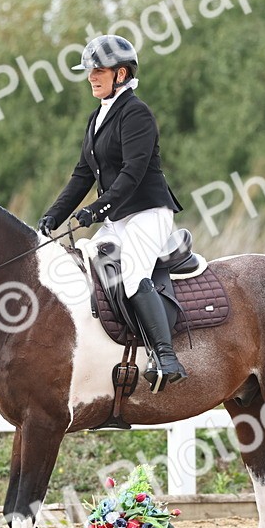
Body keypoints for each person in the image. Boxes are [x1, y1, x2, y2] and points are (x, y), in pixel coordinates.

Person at [37, 34, 187, 390]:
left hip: (148, 212)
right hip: (118, 217)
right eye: (89, 71)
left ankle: (166, 356)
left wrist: (96, 209)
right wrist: (53, 216)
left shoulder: (137, 113)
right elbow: (82, 175)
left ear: (121, 74)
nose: (91, 76)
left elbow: (132, 173)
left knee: (133, 275)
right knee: (89, 270)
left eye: (98, 70)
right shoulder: (96, 117)